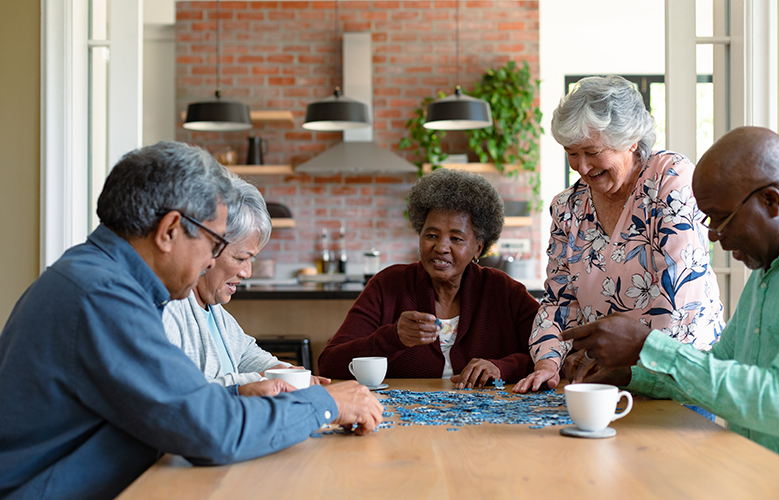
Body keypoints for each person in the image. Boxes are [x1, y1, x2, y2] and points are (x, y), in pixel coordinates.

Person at [0, 142, 383, 500]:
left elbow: (167, 406)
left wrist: (234, 394)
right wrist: (324, 404)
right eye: (215, 244)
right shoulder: (104, 297)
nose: (211, 261)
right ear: (169, 231)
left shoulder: (97, 277)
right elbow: (212, 433)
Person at [560, 126, 779, 463]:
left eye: (721, 219)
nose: (713, 236)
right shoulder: (766, 272)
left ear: (771, 201)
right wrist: (634, 375)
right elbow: (717, 368)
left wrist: (648, 345)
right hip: (753, 476)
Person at [513, 75, 725, 393]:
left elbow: (678, 297)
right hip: (604, 379)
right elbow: (559, 301)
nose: (582, 167)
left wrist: (630, 370)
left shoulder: (670, 180)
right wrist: (547, 363)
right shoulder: (568, 207)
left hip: (677, 377)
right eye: (572, 153)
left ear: (631, 141)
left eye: (592, 152)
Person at [318, 168, 540, 388]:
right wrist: (393, 338)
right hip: (402, 416)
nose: (441, 247)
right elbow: (329, 363)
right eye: (431, 235)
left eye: (456, 238)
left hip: (487, 418)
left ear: (478, 248)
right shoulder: (388, 285)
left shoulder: (504, 291)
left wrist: (503, 367)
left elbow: (554, 355)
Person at [162, 172, 330, 394]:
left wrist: (283, 371)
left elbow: (245, 353)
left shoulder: (215, 310)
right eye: (241, 258)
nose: (247, 272)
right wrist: (258, 379)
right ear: (207, 244)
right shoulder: (168, 308)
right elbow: (185, 395)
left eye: (252, 259)